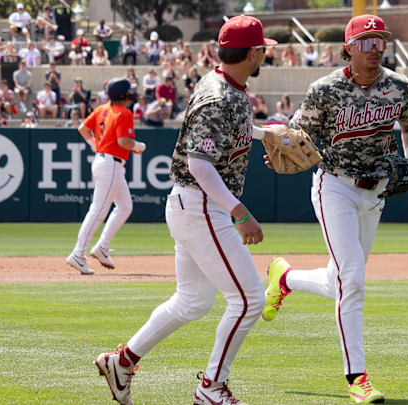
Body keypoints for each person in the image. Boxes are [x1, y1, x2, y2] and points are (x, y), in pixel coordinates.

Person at [93, 15, 276, 405]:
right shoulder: (220, 96)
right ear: (253, 52)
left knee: (192, 301)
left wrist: (266, 133)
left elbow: (226, 129)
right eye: (263, 48)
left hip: (193, 205)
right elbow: (199, 164)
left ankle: (121, 362)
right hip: (201, 205)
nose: (265, 53)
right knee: (249, 300)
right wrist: (240, 212)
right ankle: (211, 388)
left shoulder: (224, 84)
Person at [262, 14, 408, 404]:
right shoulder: (325, 89)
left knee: (341, 280)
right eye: (367, 41)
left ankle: (284, 279)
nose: (375, 48)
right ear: (348, 47)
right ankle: (357, 377)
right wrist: (282, 151)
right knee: (353, 278)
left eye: (380, 41)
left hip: (378, 190)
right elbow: (299, 134)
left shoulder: (398, 86)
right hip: (334, 186)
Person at [66, 77, 145, 275]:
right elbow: (124, 141)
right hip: (110, 164)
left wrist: (97, 147)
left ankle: (101, 247)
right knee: (98, 210)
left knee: (125, 206)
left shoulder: (102, 109)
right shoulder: (124, 112)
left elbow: (82, 129)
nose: (131, 93)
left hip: (107, 162)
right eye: (128, 91)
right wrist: (138, 145)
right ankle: (78, 254)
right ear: (122, 94)